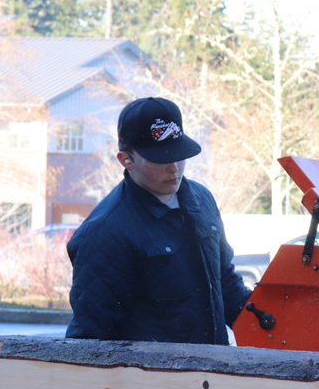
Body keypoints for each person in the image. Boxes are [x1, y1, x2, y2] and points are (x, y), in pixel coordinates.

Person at [66, 96, 250, 344]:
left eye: (179, 155)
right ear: (126, 160)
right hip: (152, 380)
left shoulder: (202, 200)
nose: (174, 168)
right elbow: (90, 339)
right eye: (161, 159)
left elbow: (225, 284)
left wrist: (272, 324)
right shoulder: (105, 232)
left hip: (212, 375)